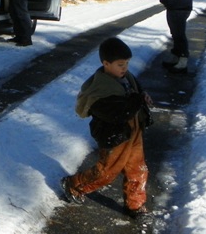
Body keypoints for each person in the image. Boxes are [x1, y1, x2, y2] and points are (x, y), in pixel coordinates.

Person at [60, 37, 153, 222]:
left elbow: (136, 90)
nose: (125, 68)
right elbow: (118, 114)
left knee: (138, 169)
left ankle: (135, 204)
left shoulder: (125, 77)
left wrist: (143, 95)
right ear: (106, 63)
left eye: (126, 63)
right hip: (115, 136)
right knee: (106, 172)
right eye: (120, 64)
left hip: (134, 132)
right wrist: (137, 101)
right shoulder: (100, 91)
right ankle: (74, 185)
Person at [159, 0, 194, 74]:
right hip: (176, 7)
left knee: (179, 34)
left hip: (180, 8)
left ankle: (182, 61)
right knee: (175, 34)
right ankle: (177, 58)